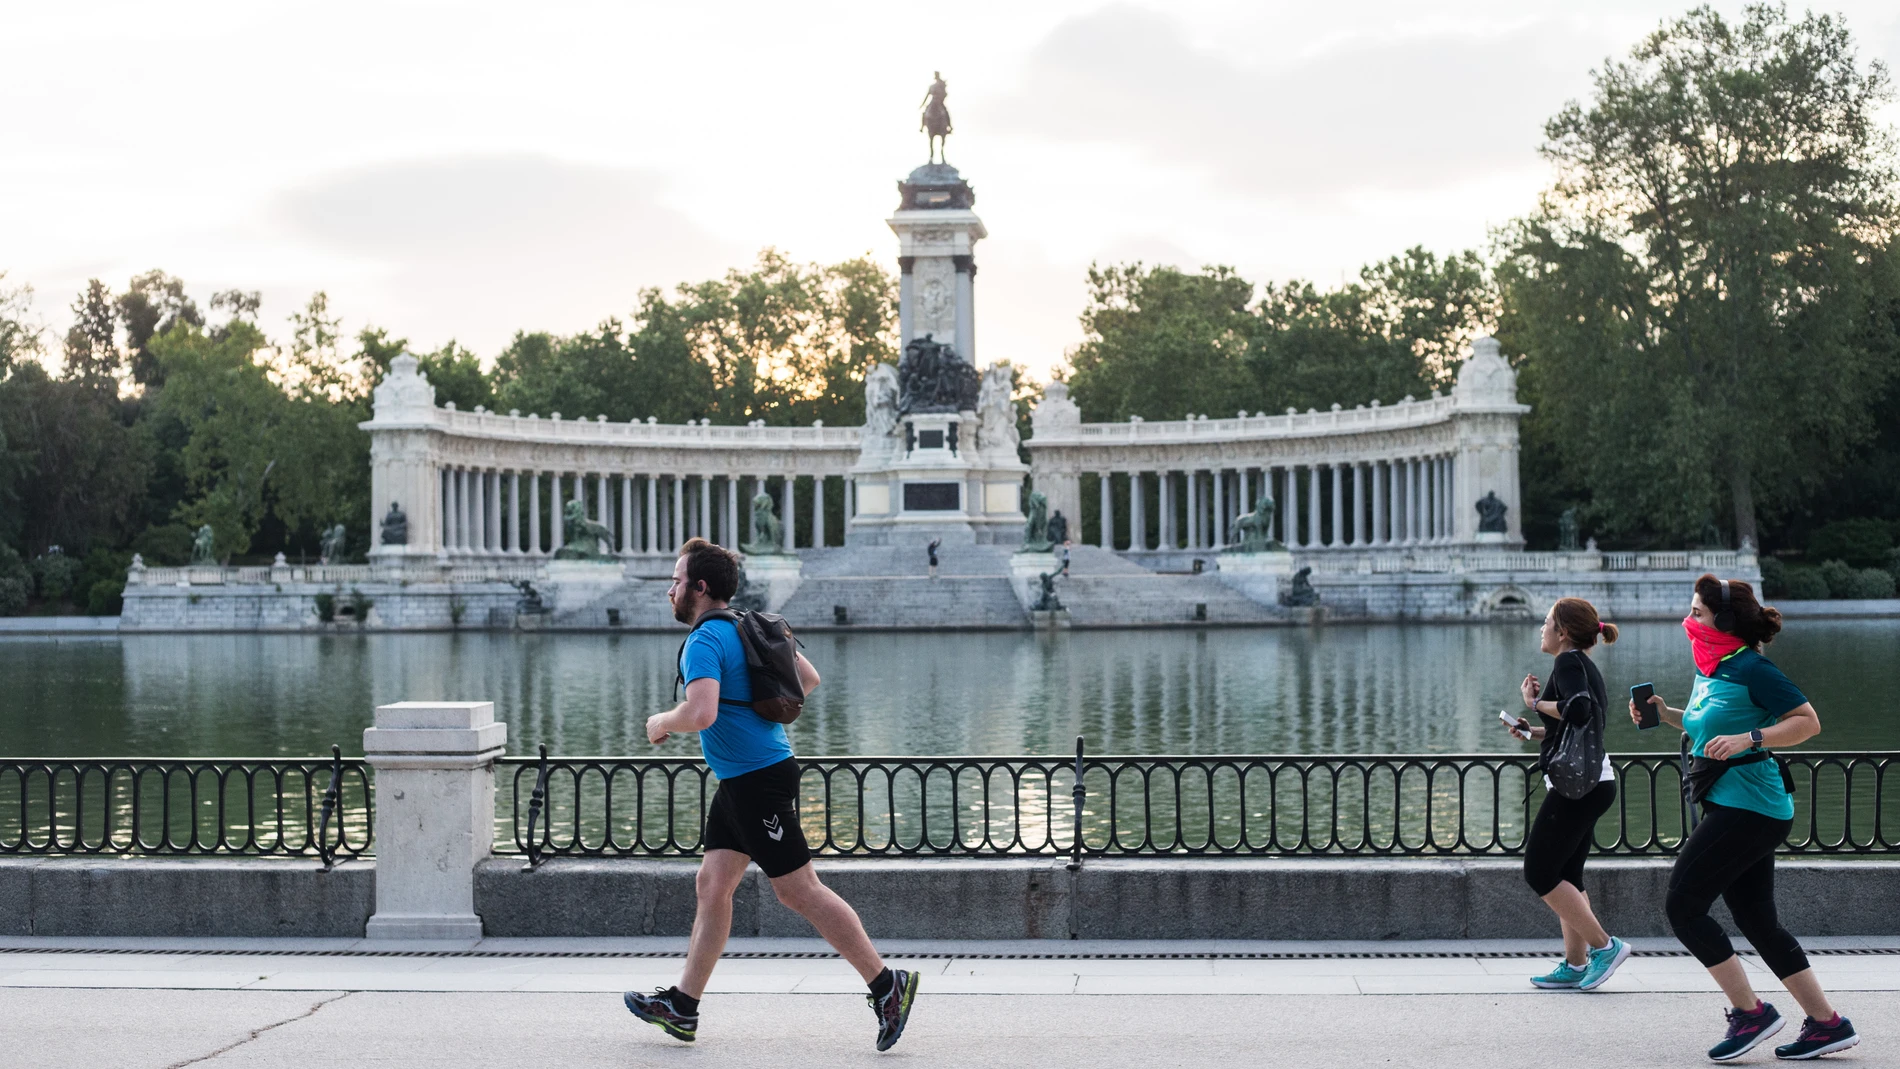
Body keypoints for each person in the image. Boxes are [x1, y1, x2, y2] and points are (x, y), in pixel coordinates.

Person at [624, 538, 919, 1051]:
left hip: (757, 780)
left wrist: (661, 722)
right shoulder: (748, 625)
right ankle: (683, 1006)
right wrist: (757, 705)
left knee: (799, 890)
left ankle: (886, 984)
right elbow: (808, 678)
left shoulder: (704, 640)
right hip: (745, 778)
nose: (669, 590)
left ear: (699, 587)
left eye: (675, 580)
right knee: (712, 885)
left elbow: (701, 714)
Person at [1632, 575, 1857, 1062]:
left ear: (1725, 619)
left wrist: (1751, 738)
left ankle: (1751, 1013)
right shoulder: (1712, 666)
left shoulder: (1753, 667)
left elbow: (1807, 722)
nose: (1689, 620)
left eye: (1697, 612)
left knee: (1683, 905)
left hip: (1752, 807)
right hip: (1732, 805)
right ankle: (1827, 1024)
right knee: (1758, 921)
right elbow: (1709, 725)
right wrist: (1666, 713)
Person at [1507, 597, 1629, 992]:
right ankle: (1576, 965)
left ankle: (1605, 947)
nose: (1541, 629)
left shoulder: (1567, 663)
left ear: (1562, 633)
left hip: (1580, 788)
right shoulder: (1582, 665)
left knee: (1539, 872)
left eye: (1546, 622)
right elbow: (1579, 724)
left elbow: (1578, 710)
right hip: (1595, 783)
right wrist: (1532, 730)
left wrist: (1534, 703)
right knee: (1567, 875)